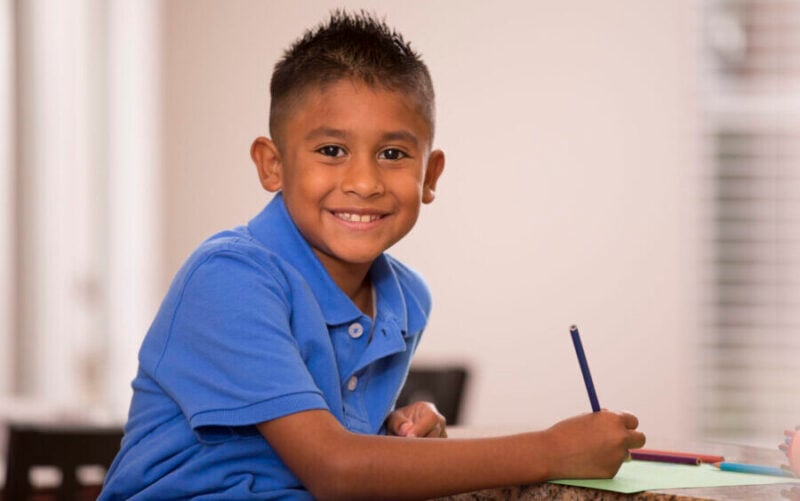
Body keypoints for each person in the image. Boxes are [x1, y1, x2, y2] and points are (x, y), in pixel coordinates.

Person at [100, 10, 645, 500]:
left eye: (392, 153)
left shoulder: (406, 300)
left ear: (429, 176)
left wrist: (394, 433)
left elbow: (328, 440)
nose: (363, 182)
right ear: (272, 165)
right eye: (331, 150)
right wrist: (550, 450)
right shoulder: (229, 277)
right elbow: (335, 469)